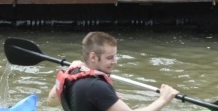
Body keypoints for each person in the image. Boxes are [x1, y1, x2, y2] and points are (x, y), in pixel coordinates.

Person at [46, 31, 178, 111]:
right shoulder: (96, 86)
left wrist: (68, 70)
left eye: (115, 56)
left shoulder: (72, 74)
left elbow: (51, 101)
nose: (115, 61)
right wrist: (163, 100)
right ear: (93, 57)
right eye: (109, 58)